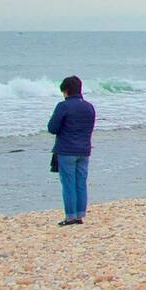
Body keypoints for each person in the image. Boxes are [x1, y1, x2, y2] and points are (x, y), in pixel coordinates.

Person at [47, 76, 96, 226]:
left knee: (68, 183)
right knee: (81, 182)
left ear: (66, 90)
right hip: (84, 149)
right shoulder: (89, 106)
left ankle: (70, 217)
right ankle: (80, 215)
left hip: (67, 149)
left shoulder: (63, 106)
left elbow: (52, 128)